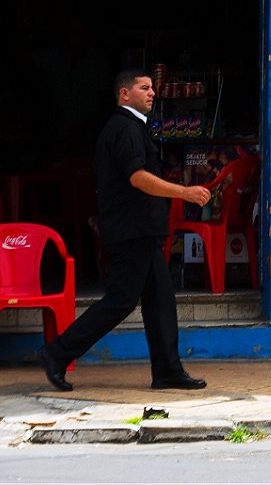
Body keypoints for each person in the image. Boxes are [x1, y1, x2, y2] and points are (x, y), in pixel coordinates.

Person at [38, 69, 212, 392]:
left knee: (160, 300)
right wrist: (184, 193)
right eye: (144, 87)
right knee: (120, 301)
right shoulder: (124, 128)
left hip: (141, 231)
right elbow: (138, 178)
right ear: (124, 94)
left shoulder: (133, 128)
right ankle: (56, 353)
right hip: (131, 232)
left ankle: (167, 371)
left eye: (152, 88)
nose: (152, 93)